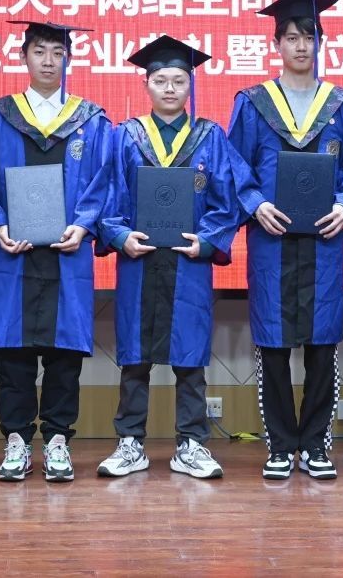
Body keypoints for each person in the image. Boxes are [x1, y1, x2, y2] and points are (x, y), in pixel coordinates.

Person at [96, 35, 256, 479]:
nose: (170, 88)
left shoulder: (210, 137)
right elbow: (107, 196)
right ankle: (130, 442)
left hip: (189, 262)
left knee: (190, 356)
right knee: (135, 356)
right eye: (161, 80)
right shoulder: (125, 136)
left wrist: (206, 241)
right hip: (139, 261)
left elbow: (228, 199)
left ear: (191, 86)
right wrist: (121, 236)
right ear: (146, 85)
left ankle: (192, 443)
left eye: (179, 81)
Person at [226, 0, 343, 480]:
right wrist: (255, 204)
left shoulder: (342, 104)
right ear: (277, 44)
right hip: (272, 240)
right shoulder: (253, 103)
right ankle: (281, 445)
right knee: (273, 344)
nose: (301, 45)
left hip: (324, 241)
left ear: (320, 43)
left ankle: (315, 443)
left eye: (309, 37)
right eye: (291, 37)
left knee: (322, 344)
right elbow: (234, 166)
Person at [0, 20, 113, 483]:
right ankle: (15, 439)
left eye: (57, 52)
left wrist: (84, 224)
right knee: (12, 352)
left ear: (68, 58)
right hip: (13, 253)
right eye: (39, 51)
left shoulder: (91, 120)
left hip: (68, 254)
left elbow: (103, 181)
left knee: (63, 354)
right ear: (23, 57)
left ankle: (56, 440)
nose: (49, 61)